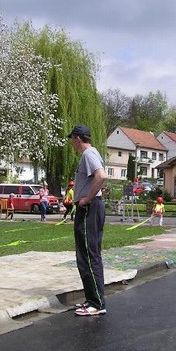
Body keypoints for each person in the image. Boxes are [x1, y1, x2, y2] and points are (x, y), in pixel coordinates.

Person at [68, 125, 107, 316]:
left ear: (77, 138)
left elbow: (101, 176)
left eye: (72, 139)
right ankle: (93, 299)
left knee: (88, 256)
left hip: (89, 208)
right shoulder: (93, 153)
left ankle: (97, 303)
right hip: (92, 208)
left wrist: (86, 199)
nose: (71, 144)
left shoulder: (88, 154)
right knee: (88, 255)